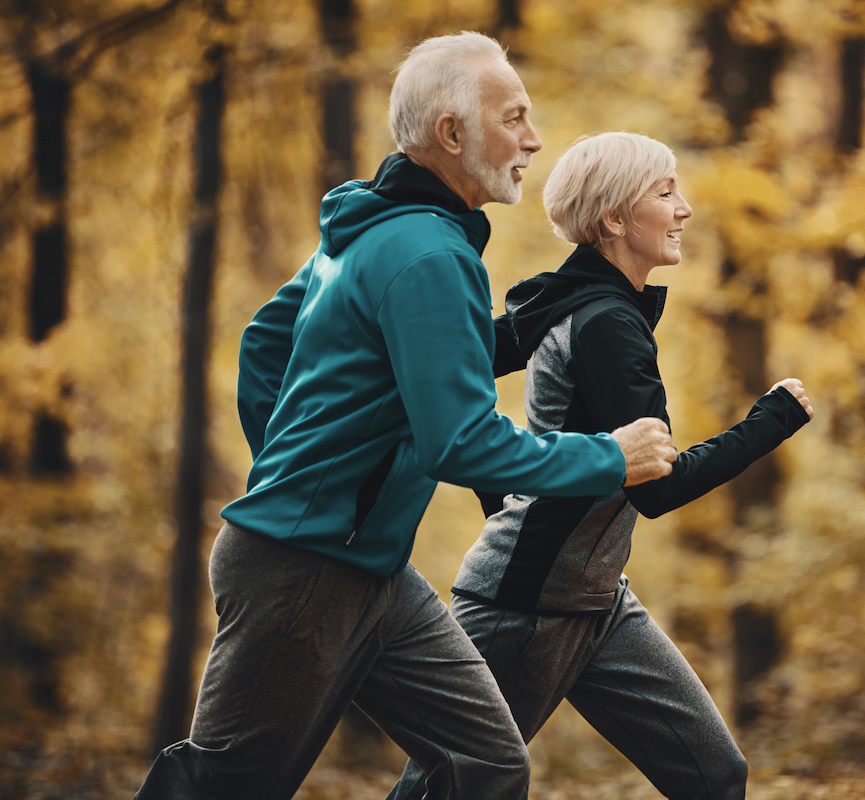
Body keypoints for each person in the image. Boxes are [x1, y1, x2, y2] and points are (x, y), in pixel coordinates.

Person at [134, 37, 677, 800]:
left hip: (374, 572)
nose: (534, 139)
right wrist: (607, 457)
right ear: (452, 134)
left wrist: (302, 472)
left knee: (485, 763)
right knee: (227, 783)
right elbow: (460, 441)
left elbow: (266, 343)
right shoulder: (427, 253)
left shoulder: (369, 230)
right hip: (304, 574)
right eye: (514, 118)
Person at [391, 131, 814, 800]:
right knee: (452, 788)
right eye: (666, 191)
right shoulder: (604, 322)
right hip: (525, 606)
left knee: (714, 775)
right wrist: (770, 421)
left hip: (598, 600)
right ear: (614, 218)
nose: (685, 209)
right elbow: (656, 488)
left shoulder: (575, 305)